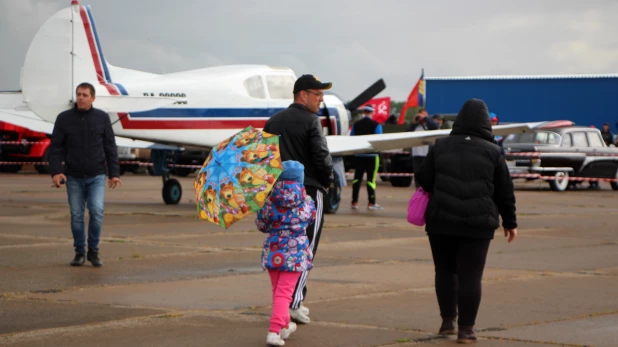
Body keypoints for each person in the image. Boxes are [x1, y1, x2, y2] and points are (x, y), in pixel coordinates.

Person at [416, 99, 518, 344]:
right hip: (478, 224)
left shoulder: (441, 146)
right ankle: (467, 330)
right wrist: (510, 221)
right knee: (471, 277)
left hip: (441, 221)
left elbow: (424, 180)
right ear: (486, 123)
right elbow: (505, 190)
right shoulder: (493, 151)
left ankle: (447, 321)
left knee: (445, 271)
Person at [263, 74, 334, 324]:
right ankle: (293, 303)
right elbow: (322, 156)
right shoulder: (312, 121)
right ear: (303, 94)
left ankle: (287, 301)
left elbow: (266, 158)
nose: (321, 99)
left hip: (279, 192)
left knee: (282, 247)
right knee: (306, 248)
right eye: (318, 94)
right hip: (309, 191)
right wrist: (327, 180)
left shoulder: (273, 121)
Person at [49, 82, 122, 268]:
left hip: (97, 175)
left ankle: (94, 251)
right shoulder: (64, 119)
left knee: (96, 212)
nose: (81, 97)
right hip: (73, 176)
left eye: (85, 95)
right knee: (76, 215)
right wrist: (56, 172)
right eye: (78, 94)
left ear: (93, 98)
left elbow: (110, 147)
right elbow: (56, 147)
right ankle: (80, 252)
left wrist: (114, 173)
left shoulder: (102, 118)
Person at [256, 160, 315, 346]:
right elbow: (310, 220)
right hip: (295, 256)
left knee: (278, 293)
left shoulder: (269, 200)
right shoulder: (306, 202)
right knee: (284, 294)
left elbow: (261, 225)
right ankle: (274, 331)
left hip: (274, 253)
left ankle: (285, 325)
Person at [350, 105, 384, 210]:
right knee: (371, 180)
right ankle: (371, 202)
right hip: (372, 155)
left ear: (364, 112)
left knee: (357, 179)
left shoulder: (356, 125)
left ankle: (354, 202)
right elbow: (379, 141)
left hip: (359, 155)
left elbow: (351, 138)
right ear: (372, 112)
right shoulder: (377, 125)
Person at [406, 108, 439, 188]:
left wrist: (426, 118)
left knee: (427, 175)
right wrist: (414, 122)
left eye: (424, 115)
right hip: (416, 154)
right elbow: (407, 132)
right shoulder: (415, 126)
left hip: (427, 155)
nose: (422, 117)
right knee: (417, 175)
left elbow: (435, 126)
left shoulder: (429, 126)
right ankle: (418, 194)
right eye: (421, 115)